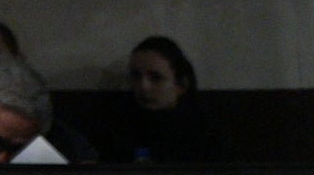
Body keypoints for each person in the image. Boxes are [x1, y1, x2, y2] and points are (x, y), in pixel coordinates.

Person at [90, 36, 224, 163]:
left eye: (156, 77)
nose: (143, 87)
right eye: (136, 76)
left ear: (181, 85)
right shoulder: (118, 125)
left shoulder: (204, 131)